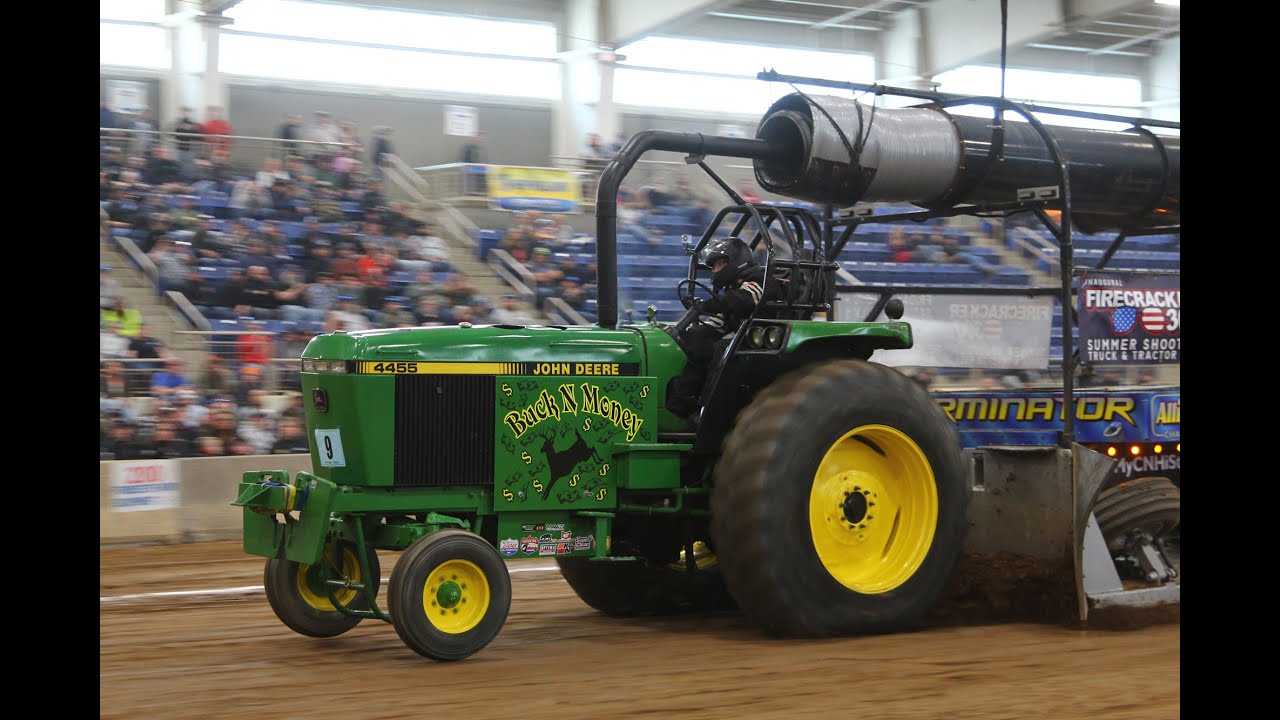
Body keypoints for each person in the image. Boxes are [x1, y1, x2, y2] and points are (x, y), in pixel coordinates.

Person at [666, 236, 782, 422]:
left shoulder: (757, 279)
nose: (715, 270)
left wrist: (708, 305)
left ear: (735, 262)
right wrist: (683, 333)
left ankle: (710, 411)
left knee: (721, 350)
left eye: (719, 264)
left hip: (759, 335)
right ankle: (681, 402)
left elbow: (740, 301)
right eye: (714, 266)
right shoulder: (733, 285)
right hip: (740, 331)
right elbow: (724, 319)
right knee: (694, 340)